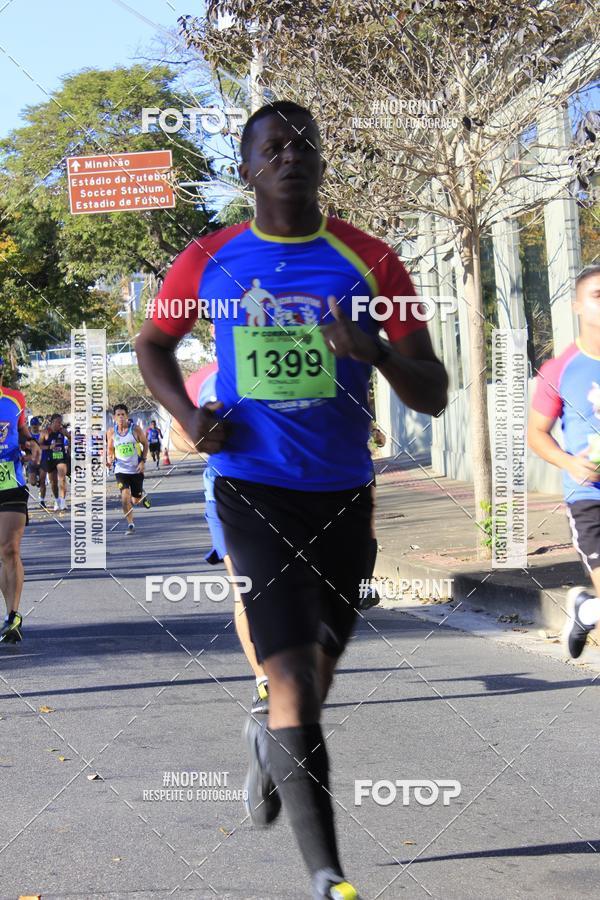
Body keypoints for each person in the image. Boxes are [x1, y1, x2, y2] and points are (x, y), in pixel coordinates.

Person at [136, 100, 448, 900]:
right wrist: (188, 415)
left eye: (304, 144)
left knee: (318, 669)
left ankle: (270, 741)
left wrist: (373, 348)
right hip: (252, 485)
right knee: (293, 680)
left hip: (343, 492)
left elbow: (435, 392)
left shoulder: (374, 261)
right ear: (246, 170)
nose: (290, 157)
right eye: (271, 149)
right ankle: (329, 877)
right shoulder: (208, 257)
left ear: (322, 160)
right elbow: (153, 345)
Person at [171, 362, 270, 715]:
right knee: (245, 586)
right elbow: (176, 436)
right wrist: (199, 434)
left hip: (287, 490)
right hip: (224, 494)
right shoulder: (201, 378)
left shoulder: (282, 355)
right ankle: (265, 681)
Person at [529, 264, 600, 659]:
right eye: (598, 297)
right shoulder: (560, 370)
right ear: (577, 306)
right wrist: (570, 463)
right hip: (589, 497)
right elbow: (536, 435)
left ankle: (586, 608)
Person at [0, 357, 40, 643]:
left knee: (9, 549)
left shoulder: (15, 399)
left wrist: (32, 444)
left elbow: (23, 433)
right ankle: (8, 614)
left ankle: (14, 615)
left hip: (11, 483)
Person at [106, 404, 151, 534]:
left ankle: (141, 496)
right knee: (125, 497)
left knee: (135, 499)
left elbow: (145, 444)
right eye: (118, 415)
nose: (120, 417)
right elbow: (110, 447)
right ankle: (130, 524)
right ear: (114, 417)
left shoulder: (135, 429)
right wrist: (110, 457)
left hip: (136, 469)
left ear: (127, 416)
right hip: (120, 470)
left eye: (123, 415)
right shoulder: (111, 432)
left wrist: (142, 461)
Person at [39, 413, 70, 511]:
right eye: (58, 422)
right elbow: (39, 445)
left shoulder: (62, 431)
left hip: (60, 457)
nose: (60, 425)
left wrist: (68, 439)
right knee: (53, 482)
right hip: (50, 458)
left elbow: (71, 439)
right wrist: (49, 447)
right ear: (52, 422)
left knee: (62, 478)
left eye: (61, 422)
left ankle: (63, 501)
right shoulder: (45, 432)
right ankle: (57, 500)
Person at [27, 416, 42, 493]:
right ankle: (35, 476)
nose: (35, 426)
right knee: (32, 483)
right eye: (33, 425)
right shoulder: (28, 435)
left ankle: (41, 478)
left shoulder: (42, 434)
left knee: (42, 481)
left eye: (36, 425)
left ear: (39, 425)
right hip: (31, 461)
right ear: (31, 425)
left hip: (41, 460)